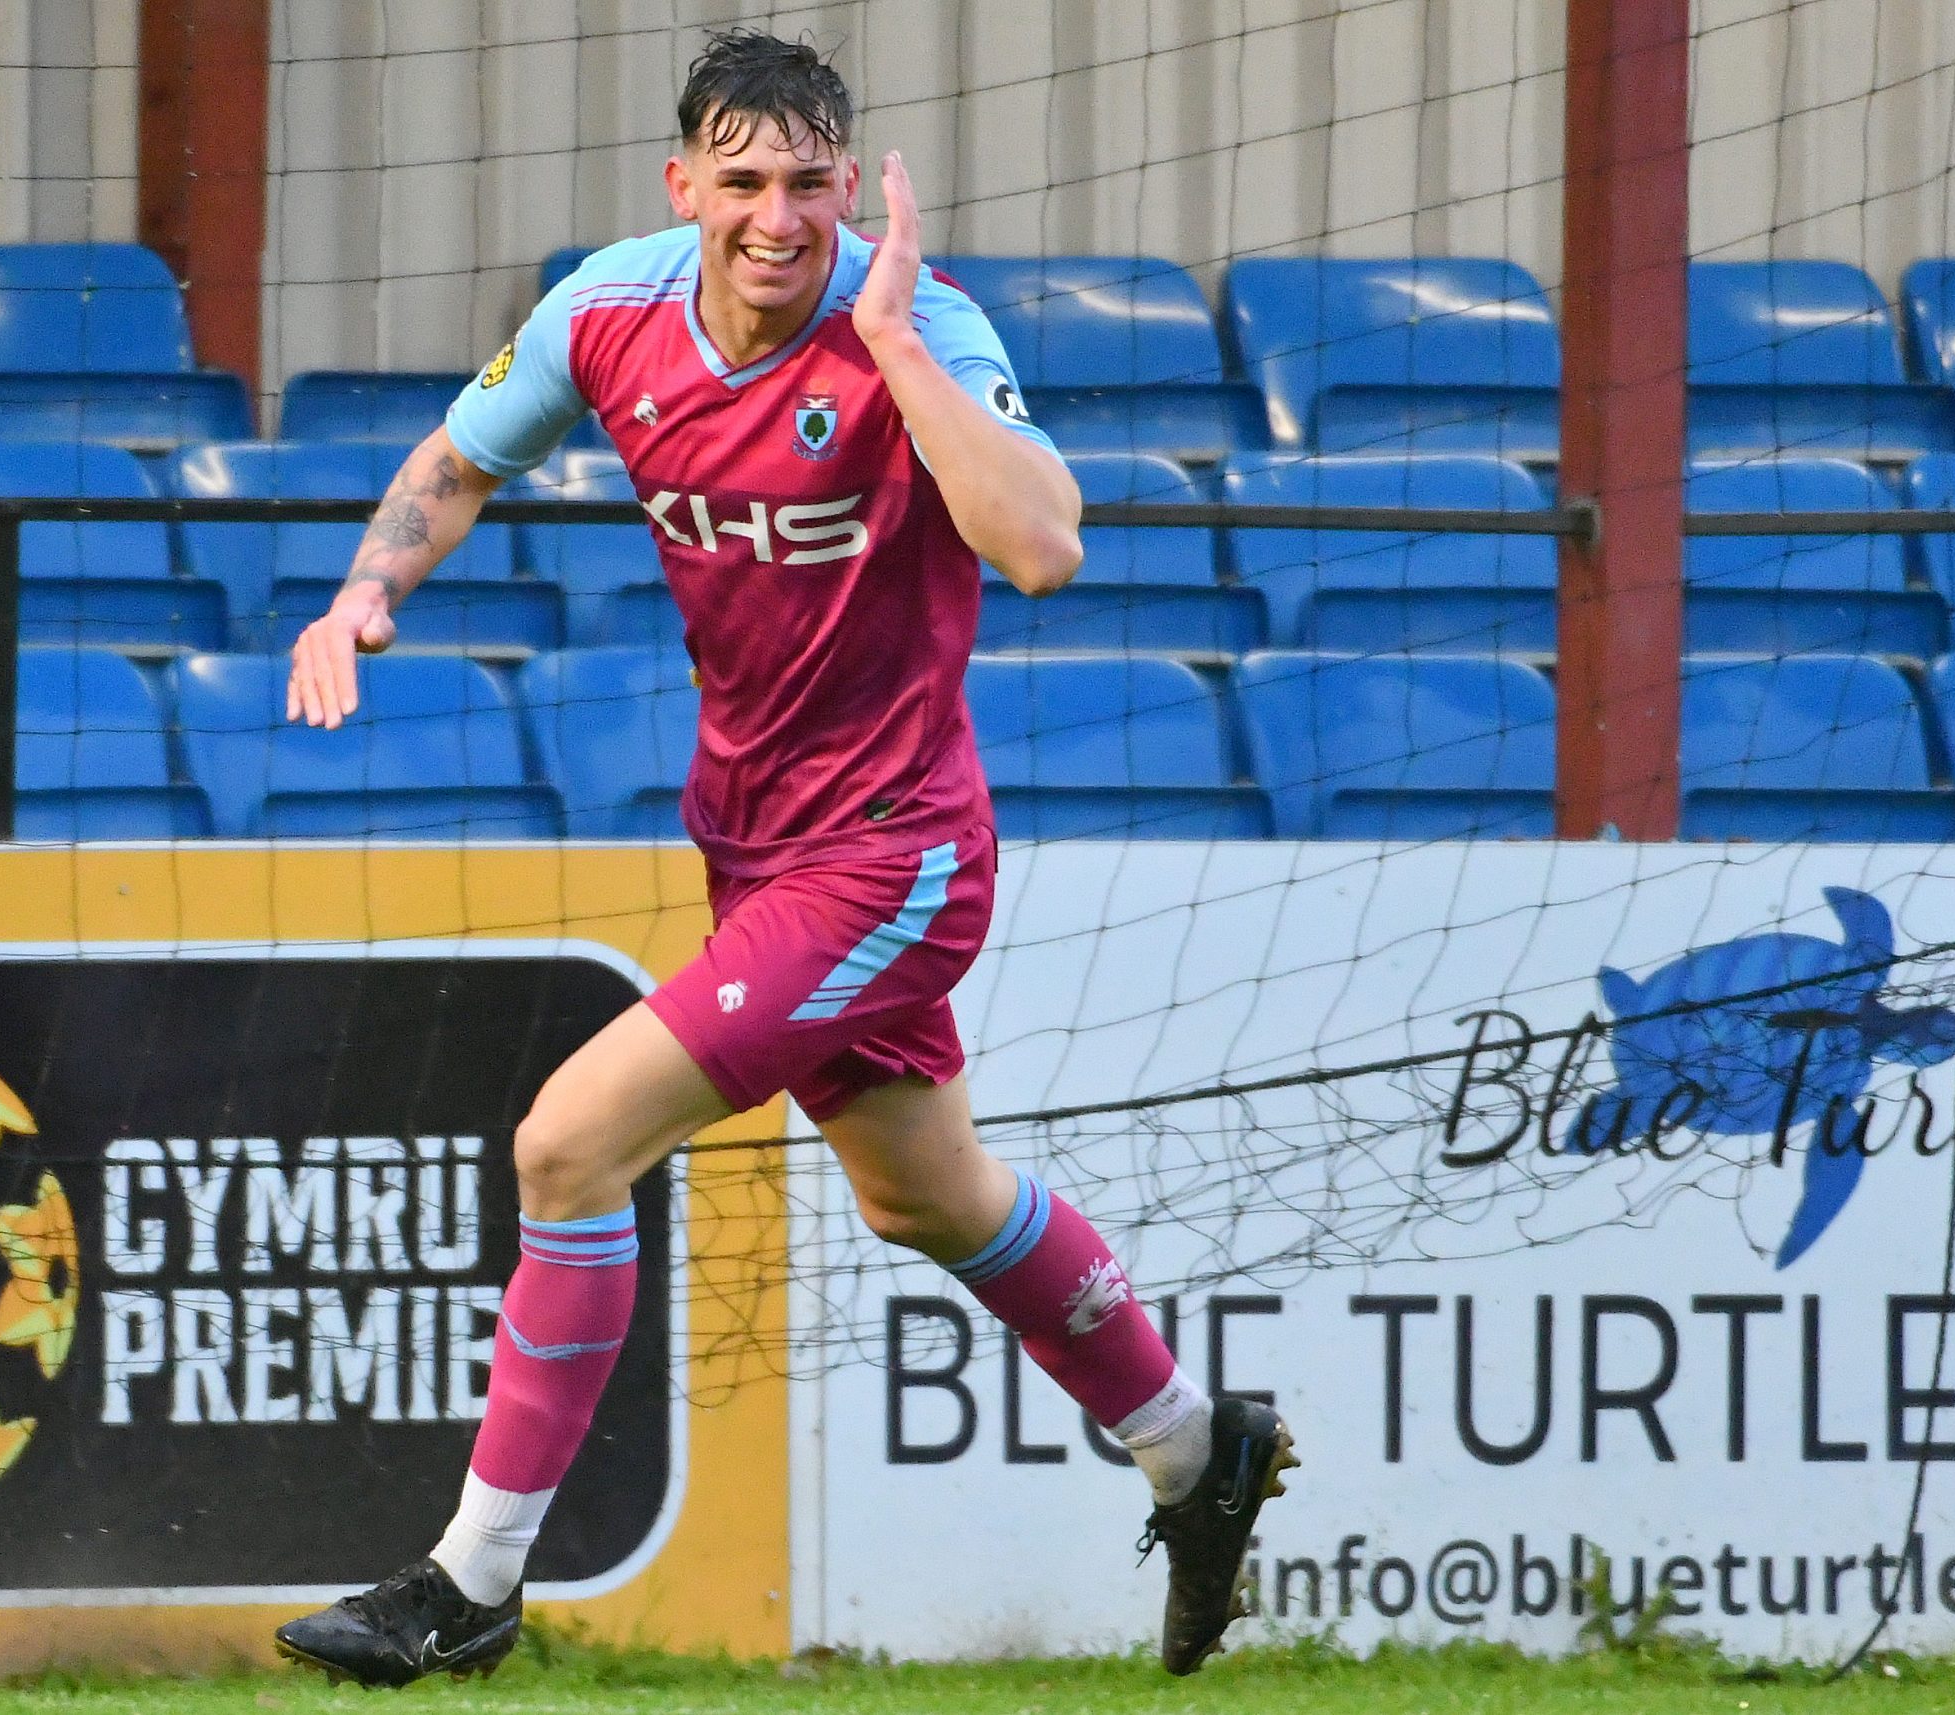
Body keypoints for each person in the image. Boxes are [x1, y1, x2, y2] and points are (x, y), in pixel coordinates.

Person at [272, 28, 1291, 1688]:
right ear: (684, 188)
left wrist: (891, 347)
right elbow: (457, 462)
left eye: (811, 183)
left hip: (894, 854)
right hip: (750, 840)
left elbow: (1044, 547)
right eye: (742, 182)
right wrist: (364, 593)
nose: (777, 217)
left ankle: (470, 1583)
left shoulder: (919, 324)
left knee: (567, 1147)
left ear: (847, 189)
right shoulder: (607, 310)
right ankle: (1194, 1446)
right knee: (926, 1195)